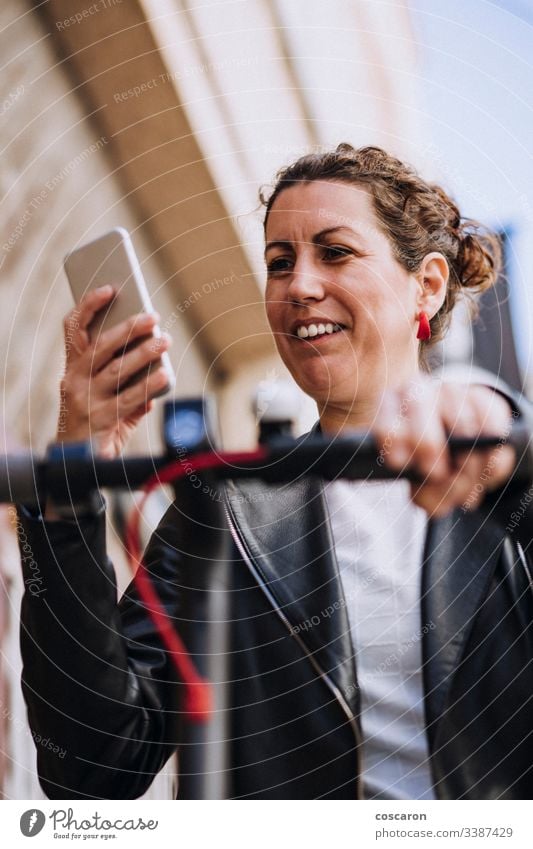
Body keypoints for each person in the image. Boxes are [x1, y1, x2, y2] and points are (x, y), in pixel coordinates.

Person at [16, 144, 533, 800]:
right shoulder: (223, 509)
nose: (298, 286)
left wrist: (499, 423)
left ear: (426, 286)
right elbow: (93, 769)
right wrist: (74, 476)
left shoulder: (501, 470)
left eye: (335, 252)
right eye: (278, 263)